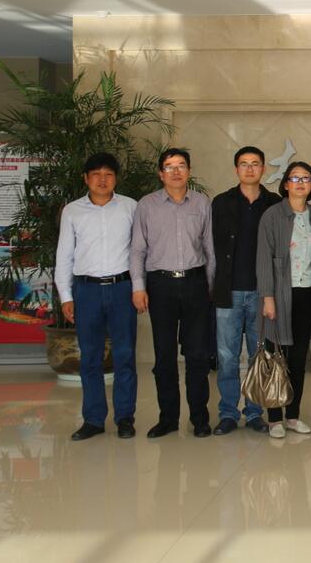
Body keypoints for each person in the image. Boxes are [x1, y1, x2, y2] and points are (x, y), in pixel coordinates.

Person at [130, 148, 215, 439]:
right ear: (160, 173)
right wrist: (138, 287)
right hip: (160, 285)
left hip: (195, 284)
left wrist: (210, 288)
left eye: (181, 166)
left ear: (188, 171)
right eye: (169, 166)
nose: (176, 171)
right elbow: (138, 249)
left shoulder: (202, 203)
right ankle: (168, 418)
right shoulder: (147, 205)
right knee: (164, 356)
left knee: (197, 355)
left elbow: (210, 249)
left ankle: (199, 418)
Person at [55, 153, 138, 440]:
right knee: (90, 357)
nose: (102, 180)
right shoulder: (72, 211)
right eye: (96, 174)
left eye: (108, 174)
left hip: (122, 288)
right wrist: (66, 296)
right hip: (86, 290)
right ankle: (93, 419)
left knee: (125, 355)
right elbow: (64, 256)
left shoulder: (131, 207)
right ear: (86, 178)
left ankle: (125, 418)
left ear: (116, 178)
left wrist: (139, 288)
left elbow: (140, 252)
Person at [210, 146, 281, 435]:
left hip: (262, 293)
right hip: (228, 291)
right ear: (236, 169)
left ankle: (254, 412)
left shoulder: (274, 203)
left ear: (263, 168)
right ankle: (228, 412)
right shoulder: (221, 202)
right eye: (244, 164)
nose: (249, 169)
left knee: (258, 355)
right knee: (226, 357)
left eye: (255, 164)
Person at [256, 161, 311, 439]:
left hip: (306, 294)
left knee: (297, 357)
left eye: (305, 178)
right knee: (275, 357)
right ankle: (274, 419)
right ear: (285, 184)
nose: (300, 183)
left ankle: (293, 416)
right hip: (279, 293)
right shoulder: (272, 216)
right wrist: (267, 297)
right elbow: (263, 259)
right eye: (294, 178)